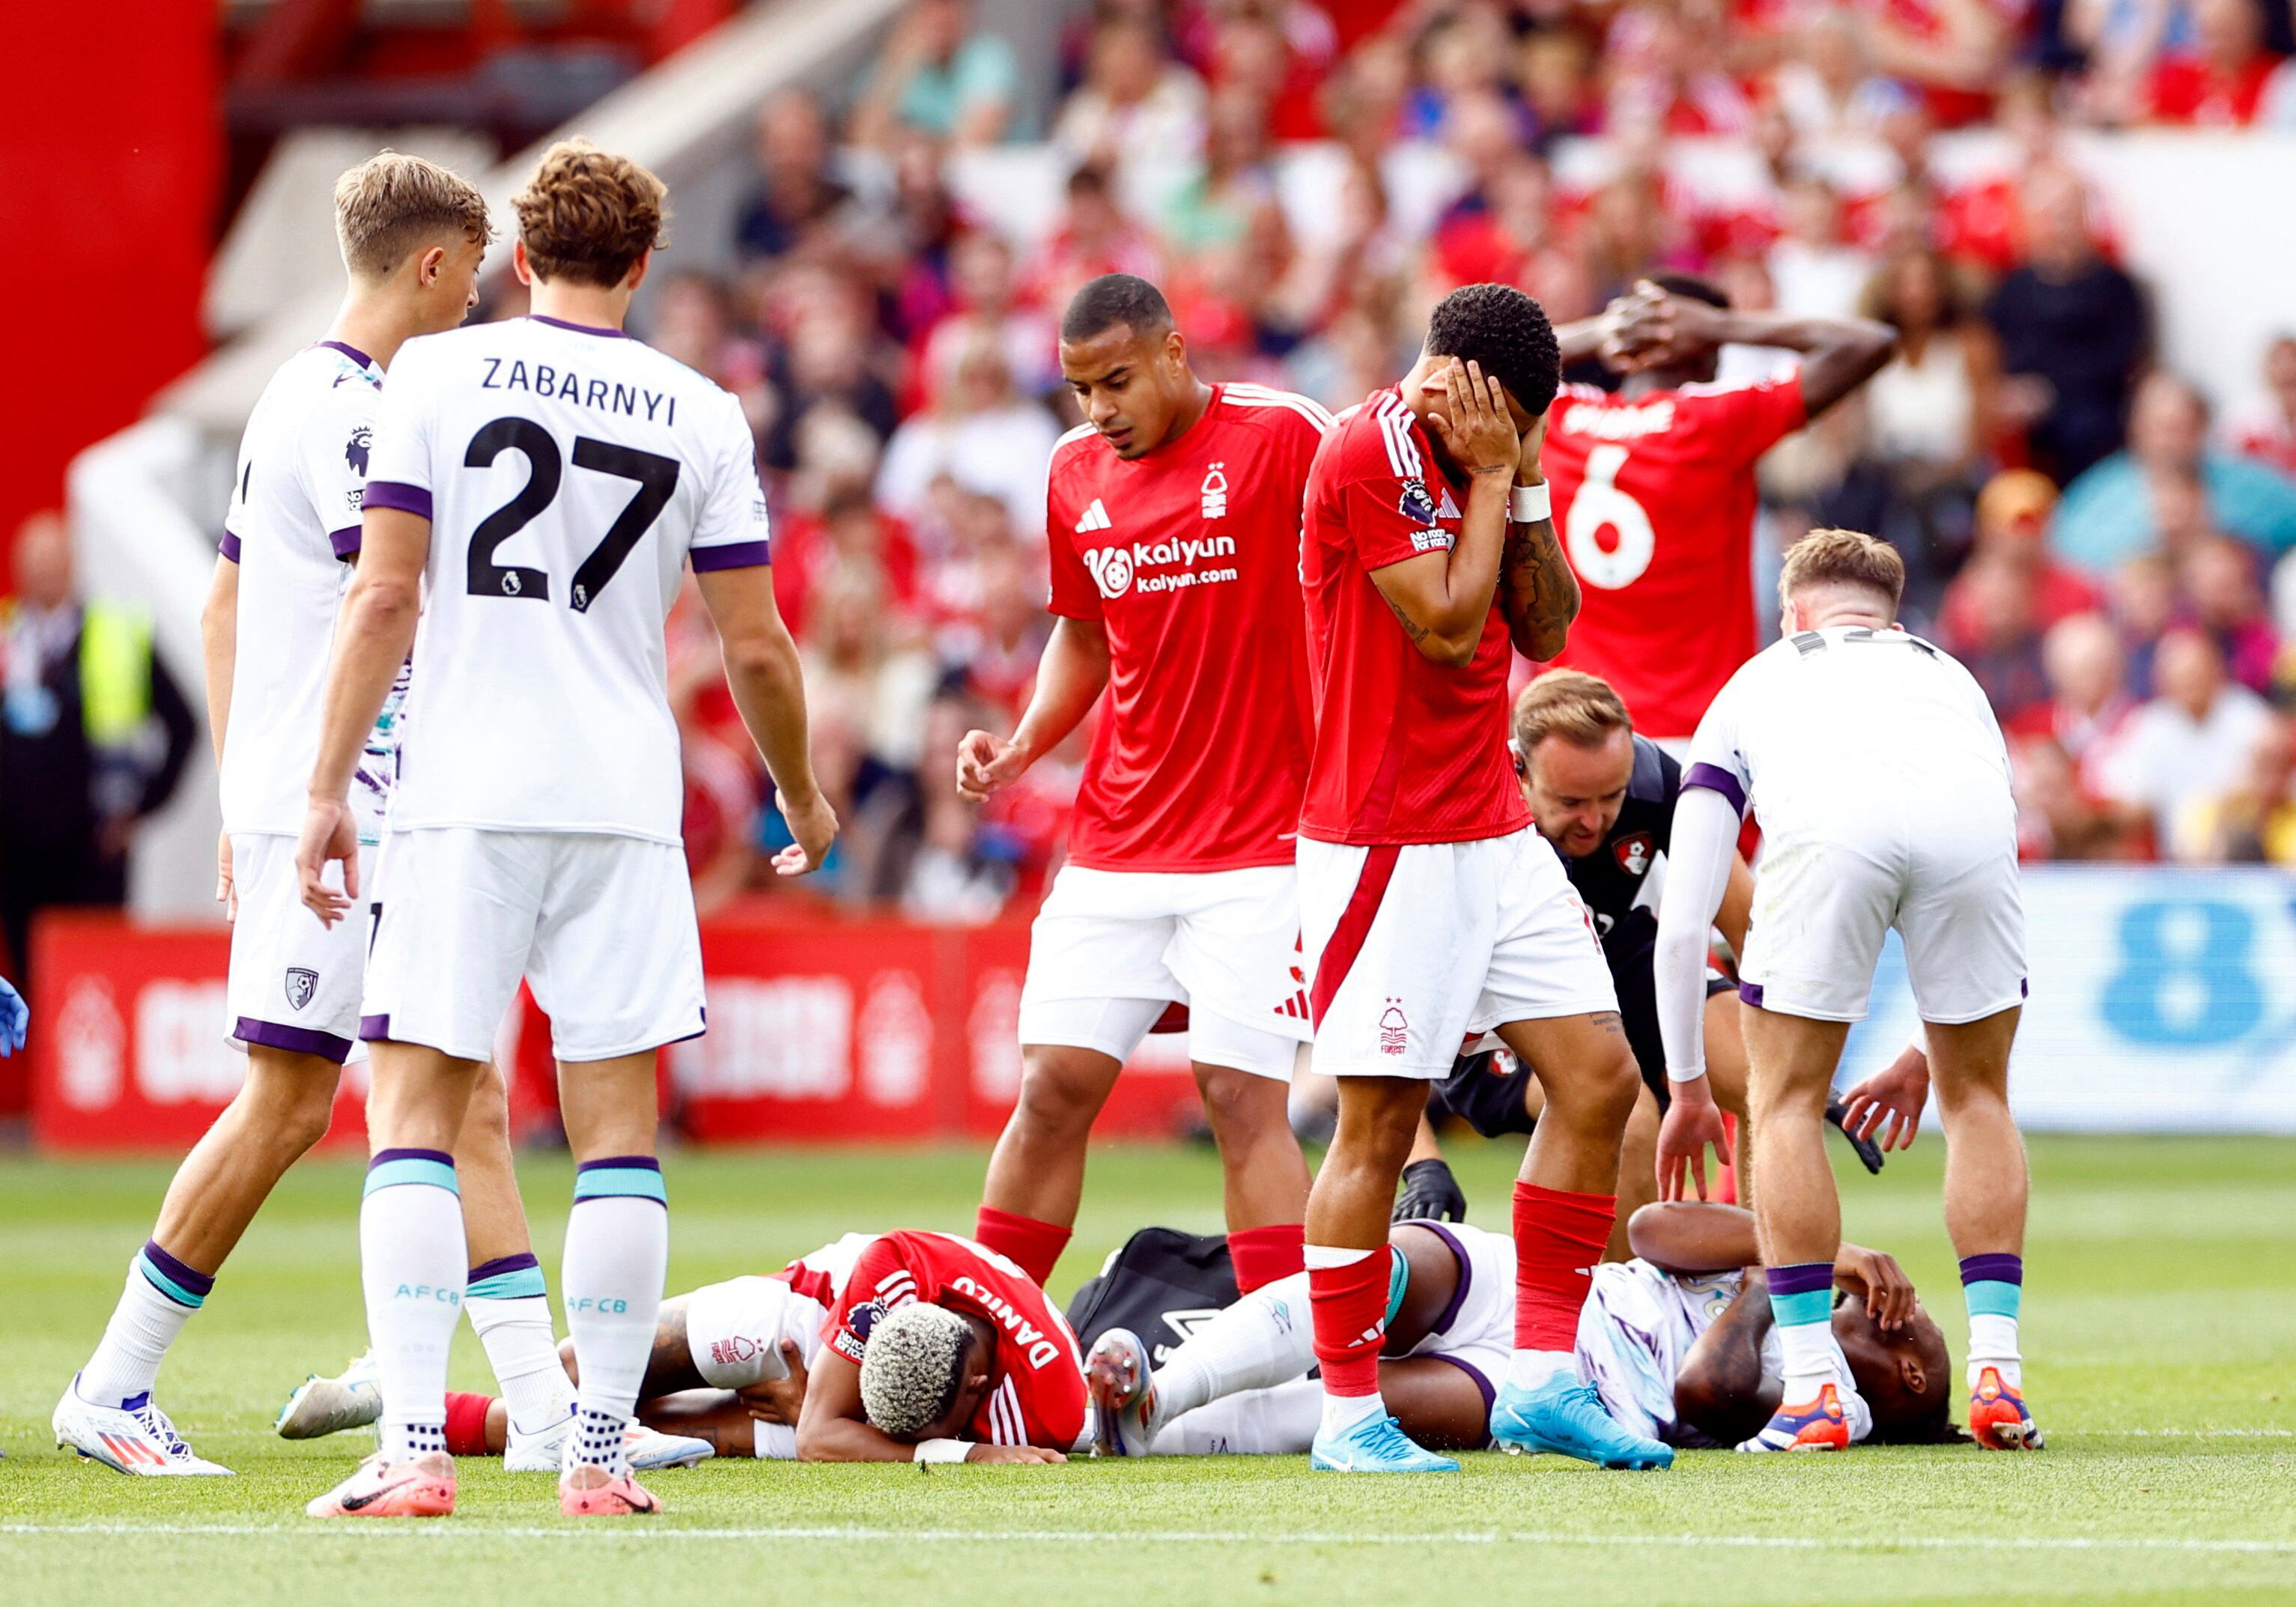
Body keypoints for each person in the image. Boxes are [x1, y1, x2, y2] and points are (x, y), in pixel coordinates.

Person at [50, 154, 708, 1483]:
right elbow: (395, 605)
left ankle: (535, 1402)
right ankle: (114, 1380)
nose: (476, 305)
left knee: (457, 1094)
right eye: (468, 277)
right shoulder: (358, 413)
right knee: (296, 1099)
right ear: (428, 266)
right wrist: (298, 809)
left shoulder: (292, 392)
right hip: (356, 809)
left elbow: (223, 609)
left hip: (327, 803)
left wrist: (253, 802)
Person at [294, 139, 836, 1520]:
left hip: (465, 790)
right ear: (645, 266)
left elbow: (384, 598)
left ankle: (416, 1449)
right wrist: (798, 790)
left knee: (416, 1109)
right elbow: (757, 644)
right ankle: (596, 1455)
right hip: (622, 801)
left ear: (517, 259)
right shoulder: (702, 407)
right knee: (617, 1132)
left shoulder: (432, 373)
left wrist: (321, 789)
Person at [1294, 281, 1666, 1476]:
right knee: (1379, 1124)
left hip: (1487, 829)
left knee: (1600, 1080)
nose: (1506, 440)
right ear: (1453, 385)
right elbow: (1450, 629)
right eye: (1505, 418)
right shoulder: (1366, 450)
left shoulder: (1493, 451)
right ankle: (1346, 1411)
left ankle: (1547, 1376)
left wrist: (1528, 473)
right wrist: (1500, 478)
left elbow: (1546, 628)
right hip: (1382, 841)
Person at [954, 274, 1327, 1301]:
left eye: (1115, 380)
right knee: (1050, 1088)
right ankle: (985, 1339)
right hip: (1116, 839)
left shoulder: (1284, 434)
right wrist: (1026, 743)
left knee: (1240, 1096)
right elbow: (1082, 630)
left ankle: (1282, 1355)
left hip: (1262, 845)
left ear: (1172, 351)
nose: (1098, 410)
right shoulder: (1074, 472)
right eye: (1079, 389)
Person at [1653, 528, 2040, 1453]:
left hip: (1831, 834)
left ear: (1793, 613)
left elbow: (1682, 924)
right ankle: (1998, 1374)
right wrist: (1923, 1052)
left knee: (1783, 1104)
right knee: (1980, 1095)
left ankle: (1817, 1388)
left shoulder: (1760, 677)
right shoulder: (1952, 676)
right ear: (1892, 618)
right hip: (1969, 832)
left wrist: (1689, 1086)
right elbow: (1987, 853)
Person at [1394, 672, 1890, 1242]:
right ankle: (1622, 1318)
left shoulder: (1658, 783)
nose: (1594, 820)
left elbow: (1754, 935)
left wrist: (1805, 1073)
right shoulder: (1455, 831)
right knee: (1625, 1116)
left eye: (1612, 797)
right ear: (1521, 774)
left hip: (1614, 960)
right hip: (1500, 1014)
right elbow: (1376, 1009)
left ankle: (1770, 1299)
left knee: (1768, 1080)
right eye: (1571, 802)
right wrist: (1421, 1163)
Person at [1084, 1202, 1953, 1457]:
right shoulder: (1801, 1279)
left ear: (1908, 1374)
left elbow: (1707, 1390)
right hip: (1544, 1292)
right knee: (1374, 1271)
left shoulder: (1845, 1406)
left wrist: (1767, 1288)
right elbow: (1651, 1229)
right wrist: (1810, 1246)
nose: (1870, 1303)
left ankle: (1123, 1431)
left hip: (1577, 1390)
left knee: (1344, 1400)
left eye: (1897, 1319)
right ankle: (1159, 1395)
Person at [279, 1229, 1083, 1465]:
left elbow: (827, 1434)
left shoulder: (1052, 1406)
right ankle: (397, 1384)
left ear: (980, 1388)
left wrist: (833, 1425)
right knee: (576, 1380)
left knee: (709, 1438)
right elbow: (822, 1432)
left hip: (848, 1387)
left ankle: (405, 1409)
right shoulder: (895, 1271)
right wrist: (955, 1457)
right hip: (809, 1318)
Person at [1538, 275, 1895, 746]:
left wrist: (1598, 332)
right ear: (1710, 357)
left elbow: (1464, 366)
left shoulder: (1557, 418)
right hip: (1701, 734)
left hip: (1572, 733)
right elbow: (1870, 342)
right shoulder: (1715, 418)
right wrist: (1724, 325)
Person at [1, 513, 196, 992]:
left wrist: (138, 809)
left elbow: (184, 725)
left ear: (73, 565)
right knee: (33, 995)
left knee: (91, 988)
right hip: (16, 856)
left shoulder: (116, 632)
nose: (44, 576)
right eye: (34, 565)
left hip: (92, 851)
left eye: (53, 563)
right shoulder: (8, 639)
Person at [2051, 372, 2296, 576]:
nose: (2169, 442)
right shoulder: (2097, 499)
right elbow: (2065, 560)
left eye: (2180, 428)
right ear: (2135, 430)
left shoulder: (2249, 486)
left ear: (2202, 428)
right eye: (2159, 428)